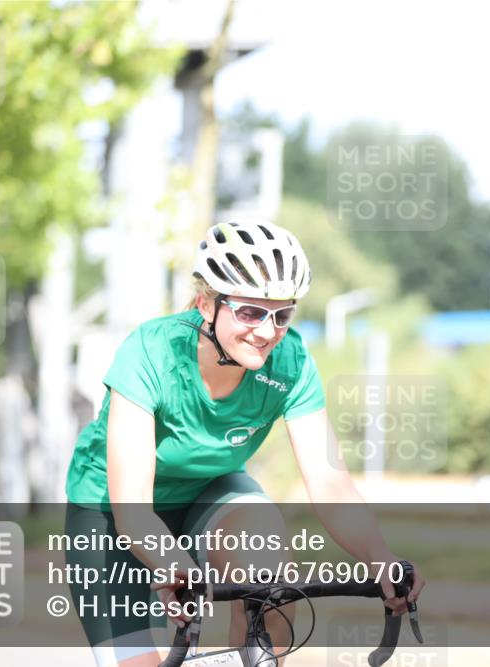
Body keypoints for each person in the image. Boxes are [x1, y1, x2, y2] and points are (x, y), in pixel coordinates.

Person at [64, 219, 425, 667]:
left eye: (282, 314)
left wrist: (380, 556)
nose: (267, 331)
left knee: (272, 575)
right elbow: (133, 506)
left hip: (209, 490)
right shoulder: (151, 352)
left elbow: (331, 486)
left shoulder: (291, 364)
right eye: (250, 312)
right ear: (205, 303)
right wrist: (173, 565)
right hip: (112, 510)